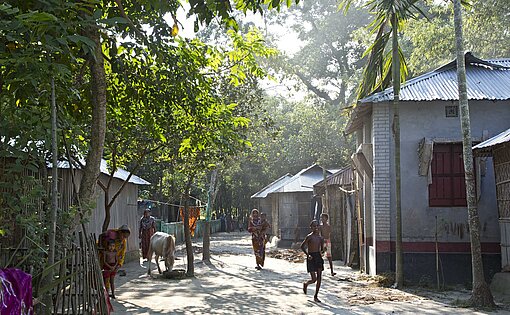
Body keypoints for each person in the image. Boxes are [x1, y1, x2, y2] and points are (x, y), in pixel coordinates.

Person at [98, 224, 131, 289]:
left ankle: (107, 293)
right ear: (120, 232)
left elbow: (122, 254)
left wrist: (119, 264)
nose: (123, 238)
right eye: (123, 236)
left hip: (112, 262)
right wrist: (100, 246)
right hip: (103, 258)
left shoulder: (123, 242)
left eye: (125, 237)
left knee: (110, 279)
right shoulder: (111, 234)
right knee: (102, 276)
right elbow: (100, 236)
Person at [301, 220, 324, 303]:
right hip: (311, 257)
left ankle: (316, 296)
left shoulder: (320, 238)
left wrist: (323, 251)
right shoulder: (309, 237)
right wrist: (308, 255)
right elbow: (302, 246)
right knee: (314, 279)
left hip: (318, 257)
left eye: (317, 226)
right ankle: (306, 284)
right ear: (311, 227)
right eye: (314, 226)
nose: (316, 228)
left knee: (319, 277)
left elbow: (322, 249)